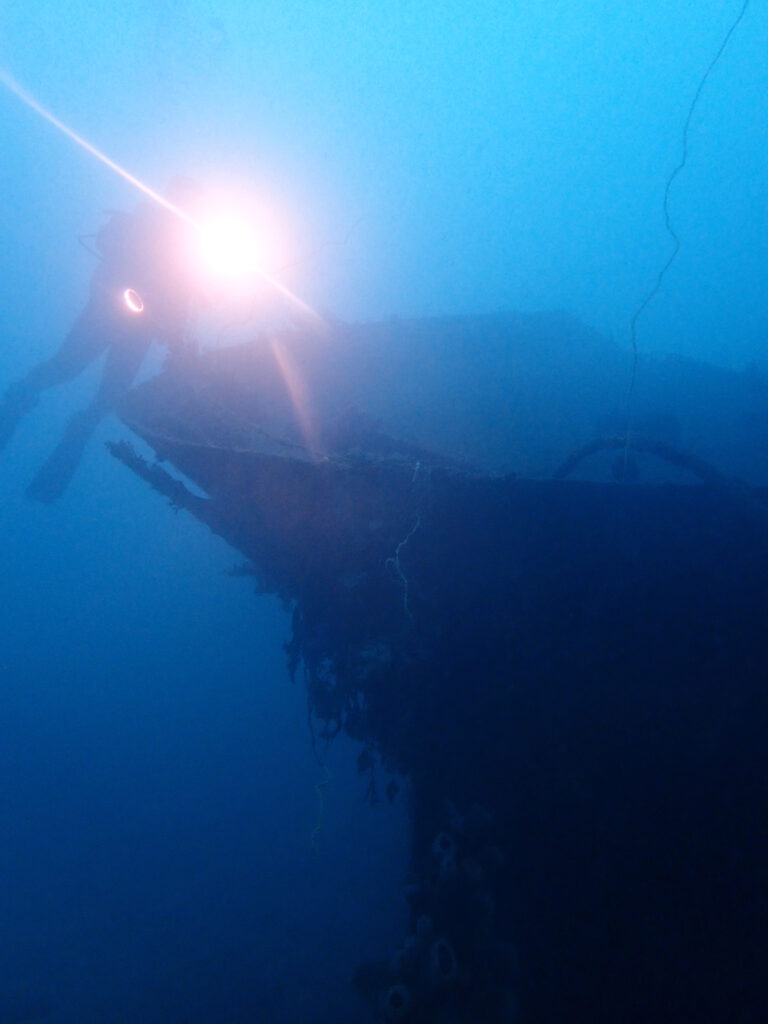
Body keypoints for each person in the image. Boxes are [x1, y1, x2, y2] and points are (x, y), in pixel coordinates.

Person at [0, 177, 204, 502]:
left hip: (138, 330)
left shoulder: (189, 252)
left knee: (105, 395)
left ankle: (65, 439)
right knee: (65, 370)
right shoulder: (143, 223)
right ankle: (19, 398)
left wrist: (175, 332)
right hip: (105, 314)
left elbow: (183, 303)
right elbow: (110, 251)